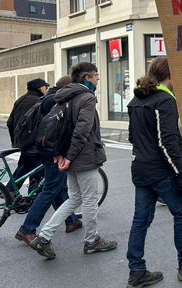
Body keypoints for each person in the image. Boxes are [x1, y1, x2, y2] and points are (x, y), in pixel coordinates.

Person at [125, 56, 182, 288]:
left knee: (140, 220)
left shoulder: (136, 99)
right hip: (160, 169)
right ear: (170, 76)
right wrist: (181, 174)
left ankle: (136, 270)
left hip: (140, 167)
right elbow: (167, 142)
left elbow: (132, 137)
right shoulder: (165, 100)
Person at [29, 63, 117, 259]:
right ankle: (92, 240)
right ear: (87, 77)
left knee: (75, 198)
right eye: (96, 76)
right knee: (89, 199)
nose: (97, 80)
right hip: (83, 156)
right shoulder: (86, 98)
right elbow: (82, 130)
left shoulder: (65, 97)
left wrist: (61, 153)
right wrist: (69, 156)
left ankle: (43, 237)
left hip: (70, 155)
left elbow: (59, 129)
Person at [15, 76, 82, 245]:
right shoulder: (55, 100)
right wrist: (62, 152)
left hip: (43, 149)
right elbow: (58, 130)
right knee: (50, 189)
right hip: (52, 152)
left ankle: (71, 221)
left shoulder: (48, 97)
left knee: (57, 187)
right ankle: (27, 229)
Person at [6, 78, 49, 192]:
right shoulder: (39, 101)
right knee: (37, 170)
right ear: (40, 88)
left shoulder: (20, 100)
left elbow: (10, 122)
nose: (47, 89)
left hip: (23, 141)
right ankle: (33, 197)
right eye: (46, 87)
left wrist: (15, 141)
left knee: (24, 166)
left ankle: (9, 191)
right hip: (34, 142)